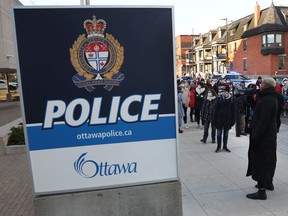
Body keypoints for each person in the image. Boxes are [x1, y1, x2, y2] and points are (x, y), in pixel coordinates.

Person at [246, 78, 279, 200]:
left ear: (266, 85)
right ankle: (268, 183)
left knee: (261, 161)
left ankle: (261, 190)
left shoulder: (267, 100)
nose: (260, 85)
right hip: (269, 135)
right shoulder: (271, 97)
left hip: (264, 137)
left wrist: (255, 137)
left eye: (262, 83)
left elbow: (263, 121)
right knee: (269, 159)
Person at [214, 84, 235, 153]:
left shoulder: (231, 99)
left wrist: (233, 121)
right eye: (223, 91)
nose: (225, 93)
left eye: (226, 91)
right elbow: (216, 108)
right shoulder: (219, 99)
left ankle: (225, 146)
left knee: (226, 134)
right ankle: (218, 146)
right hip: (219, 119)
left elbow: (233, 111)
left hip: (227, 119)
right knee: (219, 134)